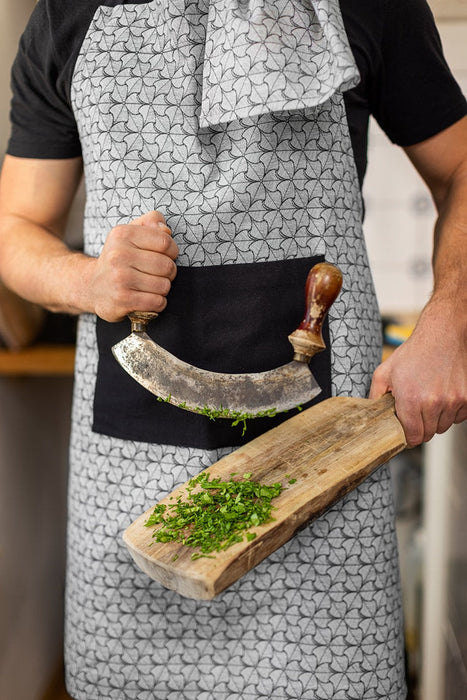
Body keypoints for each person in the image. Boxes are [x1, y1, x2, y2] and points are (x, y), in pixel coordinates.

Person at [0, 0, 466, 698]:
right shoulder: (67, 14)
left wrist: (446, 325)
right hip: (129, 485)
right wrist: (88, 278)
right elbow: (16, 226)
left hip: (317, 474)